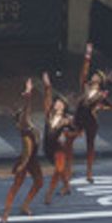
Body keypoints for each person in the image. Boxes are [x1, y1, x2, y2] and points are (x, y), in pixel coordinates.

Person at [0, 79, 44, 223]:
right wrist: (28, 95)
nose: (28, 116)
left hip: (33, 159)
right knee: (16, 185)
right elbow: (26, 109)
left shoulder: (28, 125)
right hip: (25, 160)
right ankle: (5, 214)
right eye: (24, 116)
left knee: (39, 182)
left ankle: (25, 205)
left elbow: (27, 112)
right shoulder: (24, 125)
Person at [75, 44, 112, 184]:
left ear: (100, 81)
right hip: (79, 116)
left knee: (90, 145)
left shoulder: (101, 94)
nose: (94, 77)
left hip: (91, 120)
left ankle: (89, 172)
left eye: (97, 77)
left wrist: (98, 108)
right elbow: (83, 73)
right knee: (69, 139)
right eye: (94, 75)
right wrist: (87, 57)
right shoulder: (85, 86)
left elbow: (110, 106)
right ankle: (66, 167)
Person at [41, 72, 78, 205]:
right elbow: (47, 99)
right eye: (57, 102)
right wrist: (47, 87)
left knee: (59, 170)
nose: (58, 105)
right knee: (60, 170)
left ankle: (49, 195)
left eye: (61, 103)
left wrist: (66, 136)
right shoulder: (49, 115)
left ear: (65, 106)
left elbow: (77, 131)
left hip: (60, 149)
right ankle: (67, 186)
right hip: (47, 147)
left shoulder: (67, 120)